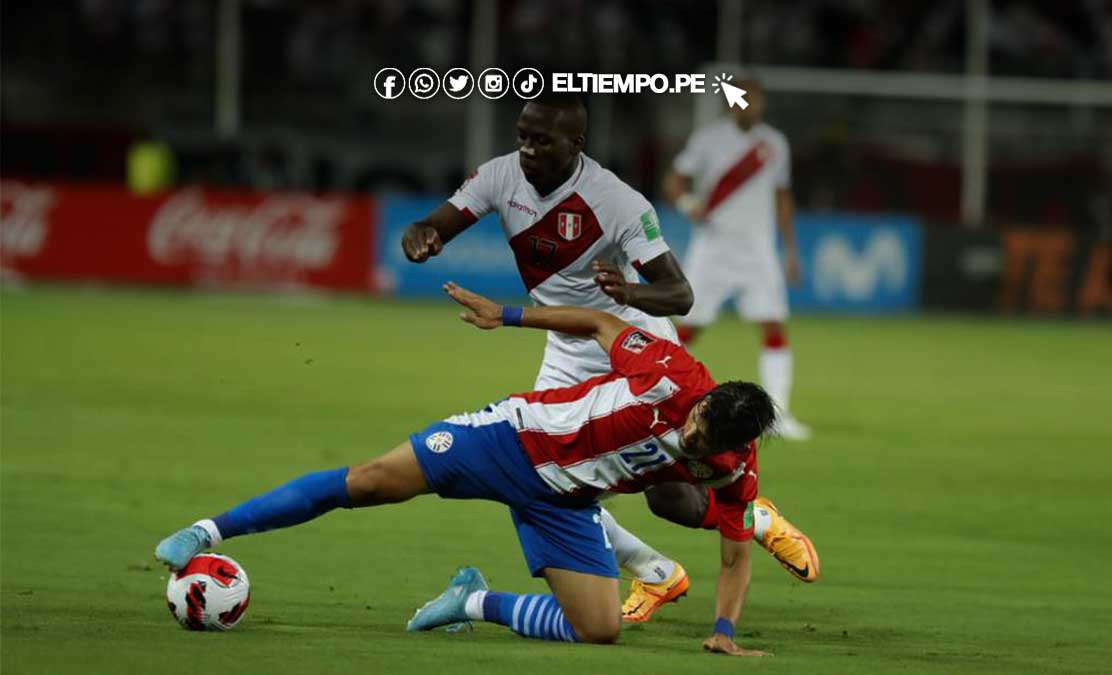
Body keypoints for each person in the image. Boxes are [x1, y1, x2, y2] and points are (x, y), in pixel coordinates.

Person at [156, 283, 775, 655]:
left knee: (599, 630)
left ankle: (471, 601)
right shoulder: (673, 375)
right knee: (368, 481)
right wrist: (505, 316)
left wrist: (723, 628)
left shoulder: (730, 467)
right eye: (695, 419)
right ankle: (207, 532)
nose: (689, 432)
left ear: (732, 444)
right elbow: (597, 322)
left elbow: (735, 551)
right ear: (706, 399)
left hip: (564, 501)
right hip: (509, 440)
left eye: (701, 438)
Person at [401, 93, 818, 623]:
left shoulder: (617, 200)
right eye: (522, 136)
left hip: (634, 348)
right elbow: (437, 221)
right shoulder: (499, 176)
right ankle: (656, 572)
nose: (527, 148)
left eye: (540, 139)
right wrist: (423, 234)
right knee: (538, 477)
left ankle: (752, 519)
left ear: (576, 144)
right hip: (566, 347)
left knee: (669, 500)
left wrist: (627, 293)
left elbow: (679, 294)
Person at [664, 77, 811, 441]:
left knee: (774, 325)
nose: (749, 105)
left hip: (758, 249)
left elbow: (782, 196)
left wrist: (790, 251)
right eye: (742, 98)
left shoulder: (774, 143)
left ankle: (779, 415)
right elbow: (674, 181)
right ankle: (663, 398)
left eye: (755, 99)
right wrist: (688, 205)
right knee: (688, 327)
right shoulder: (708, 139)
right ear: (730, 103)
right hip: (713, 247)